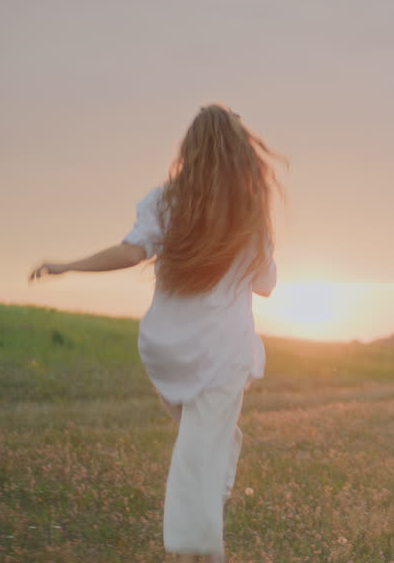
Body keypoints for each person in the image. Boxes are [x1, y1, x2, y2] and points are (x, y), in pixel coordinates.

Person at [29, 104, 282, 562]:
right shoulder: (249, 214)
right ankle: (194, 550)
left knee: (198, 447)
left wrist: (68, 265)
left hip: (169, 349)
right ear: (242, 154)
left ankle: (199, 530)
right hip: (223, 352)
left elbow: (130, 253)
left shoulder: (165, 202)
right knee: (198, 453)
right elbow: (266, 286)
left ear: (190, 150)